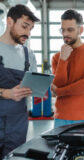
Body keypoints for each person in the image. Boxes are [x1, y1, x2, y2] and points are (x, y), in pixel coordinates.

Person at [51, 9, 84, 128]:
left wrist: (59, 92)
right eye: (63, 30)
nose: (65, 34)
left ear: (81, 30)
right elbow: (59, 83)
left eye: (70, 30)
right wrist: (63, 60)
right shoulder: (57, 57)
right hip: (60, 117)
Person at [0, 4, 39, 159]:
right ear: (10, 21)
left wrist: (38, 91)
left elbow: (34, 85)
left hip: (18, 126)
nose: (27, 33)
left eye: (31, 29)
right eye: (24, 26)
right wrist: (7, 93)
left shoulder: (28, 54)